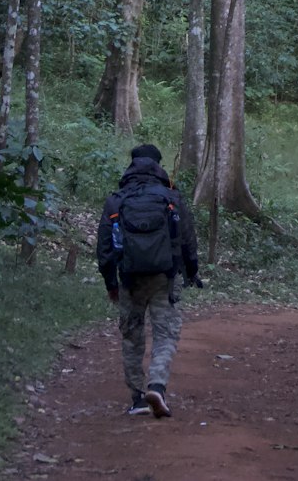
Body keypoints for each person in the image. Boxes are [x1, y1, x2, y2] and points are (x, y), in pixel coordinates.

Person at [96, 143, 200, 418]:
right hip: (164, 278)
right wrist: (192, 272)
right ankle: (157, 385)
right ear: (158, 165)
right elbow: (188, 238)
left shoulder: (117, 200)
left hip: (130, 279)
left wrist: (111, 284)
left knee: (132, 336)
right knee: (165, 333)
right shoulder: (170, 197)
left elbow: (105, 248)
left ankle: (138, 398)